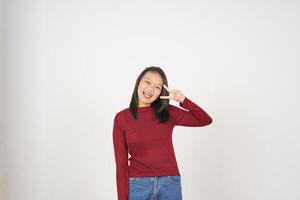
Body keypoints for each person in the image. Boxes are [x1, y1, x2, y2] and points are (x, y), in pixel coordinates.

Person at [112, 66, 213, 200]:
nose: (150, 89)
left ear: (161, 92)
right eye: (147, 82)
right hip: (138, 185)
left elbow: (205, 120)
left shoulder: (168, 112)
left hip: (169, 184)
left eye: (157, 87)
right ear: (139, 82)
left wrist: (183, 100)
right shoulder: (122, 118)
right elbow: (121, 165)